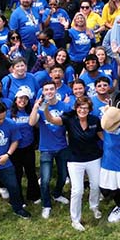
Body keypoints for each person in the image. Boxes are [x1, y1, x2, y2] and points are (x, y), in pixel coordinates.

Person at [43, 97, 103, 231]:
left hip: (93, 158)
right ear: (76, 108)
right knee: (77, 190)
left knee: (96, 186)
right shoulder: (69, 119)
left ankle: (94, 206)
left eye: (86, 108)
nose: (83, 110)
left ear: (90, 109)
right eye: (80, 108)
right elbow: (52, 120)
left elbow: (102, 136)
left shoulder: (94, 120)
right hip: (75, 160)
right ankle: (75, 219)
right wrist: (45, 109)